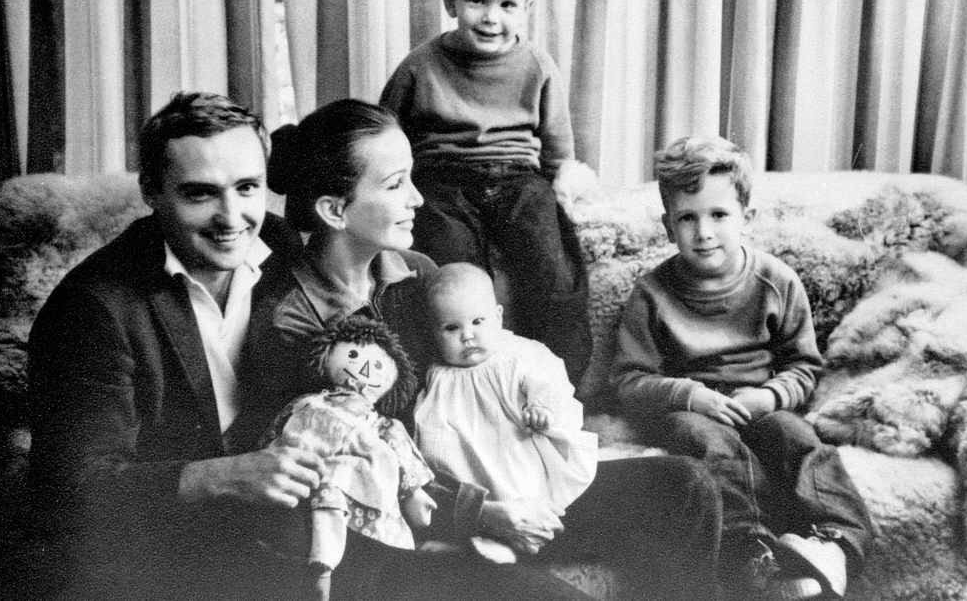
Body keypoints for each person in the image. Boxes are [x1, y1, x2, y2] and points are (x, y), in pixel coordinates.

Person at [239, 97, 723, 601]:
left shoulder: (419, 274)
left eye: (412, 178)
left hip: (500, 483)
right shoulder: (290, 321)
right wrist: (481, 514)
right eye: (395, 184)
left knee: (683, 488)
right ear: (335, 210)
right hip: (402, 531)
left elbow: (491, 369)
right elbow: (349, 472)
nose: (418, 200)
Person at [27, 92, 324, 601]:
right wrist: (223, 476)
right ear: (151, 191)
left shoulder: (288, 250)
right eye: (200, 194)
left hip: (283, 530)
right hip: (161, 555)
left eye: (247, 188)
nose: (232, 218)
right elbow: (74, 492)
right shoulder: (92, 306)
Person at [611, 136, 873, 601]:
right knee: (706, 441)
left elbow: (804, 366)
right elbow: (629, 380)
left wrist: (769, 396)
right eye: (687, 218)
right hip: (695, 410)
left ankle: (837, 545)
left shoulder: (777, 281)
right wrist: (691, 396)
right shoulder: (651, 293)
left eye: (718, 215)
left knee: (797, 438)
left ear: (746, 219)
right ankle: (755, 558)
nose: (704, 231)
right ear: (669, 227)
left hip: (760, 403)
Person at [378, 0, 593, 384]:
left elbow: (556, 141)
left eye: (508, 5)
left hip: (519, 177)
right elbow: (385, 134)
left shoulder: (536, 65)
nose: (491, 17)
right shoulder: (420, 66)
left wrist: (561, 186)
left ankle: (558, 378)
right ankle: (450, 380)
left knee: (552, 268)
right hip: (442, 176)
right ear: (451, 0)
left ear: (527, 9)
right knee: (451, 270)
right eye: (478, 0)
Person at [267, 315, 436, 601]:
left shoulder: (380, 422)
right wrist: (268, 451)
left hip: (353, 475)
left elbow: (399, 446)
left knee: (332, 493)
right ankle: (321, 568)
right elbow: (279, 426)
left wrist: (413, 491)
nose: (366, 367)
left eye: (379, 364)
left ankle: (323, 565)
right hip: (303, 465)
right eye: (353, 354)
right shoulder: (311, 401)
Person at [414, 262, 597, 520]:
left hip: (515, 445)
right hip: (466, 459)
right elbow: (429, 425)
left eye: (478, 321)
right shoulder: (439, 375)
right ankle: (487, 530)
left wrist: (543, 409)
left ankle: (533, 519)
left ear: (498, 316)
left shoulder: (518, 354)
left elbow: (551, 381)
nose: (467, 335)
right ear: (434, 332)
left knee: (523, 477)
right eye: (451, 328)